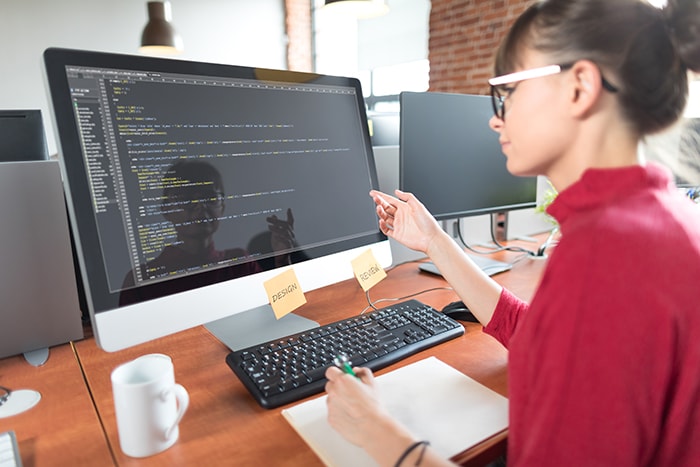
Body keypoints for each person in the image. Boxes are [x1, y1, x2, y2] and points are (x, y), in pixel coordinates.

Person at [324, 1, 700, 466]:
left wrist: (376, 431)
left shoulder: (607, 257)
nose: (494, 118)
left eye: (507, 92)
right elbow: (544, 342)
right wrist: (436, 242)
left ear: (579, 88)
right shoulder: (657, 219)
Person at [120, 160, 295, 305]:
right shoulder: (142, 279)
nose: (200, 207)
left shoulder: (239, 263)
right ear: (166, 210)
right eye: (186, 198)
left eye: (210, 198)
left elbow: (285, 308)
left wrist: (282, 260)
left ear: (222, 207)